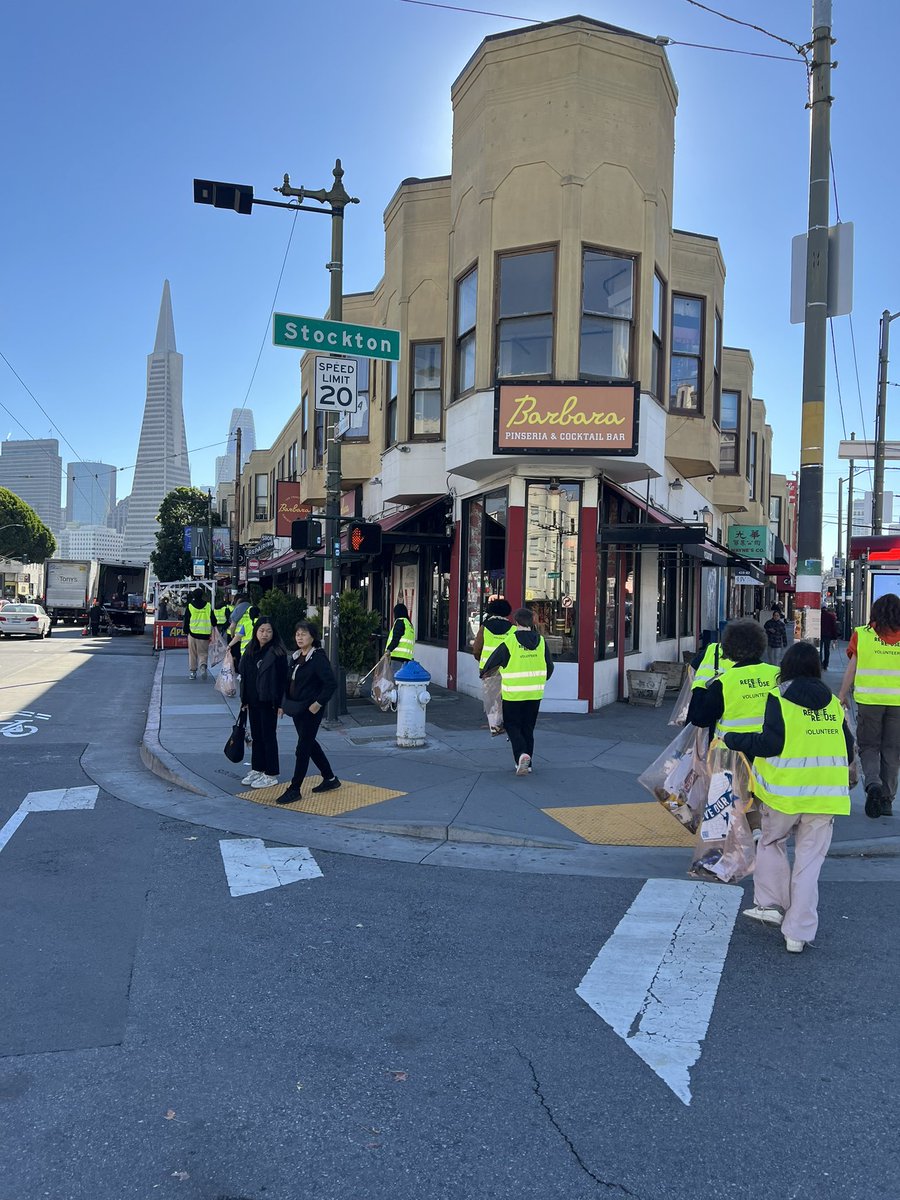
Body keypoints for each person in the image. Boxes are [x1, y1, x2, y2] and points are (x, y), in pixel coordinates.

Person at [724, 642, 852, 953]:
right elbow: (847, 747)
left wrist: (733, 738)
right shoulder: (834, 704)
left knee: (771, 842)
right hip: (826, 796)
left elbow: (769, 744)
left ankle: (769, 903)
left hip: (783, 793)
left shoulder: (778, 699)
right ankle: (798, 933)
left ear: (787, 667)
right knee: (809, 863)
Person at [838, 593, 900, 818]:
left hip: (869, 701)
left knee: (869, 746)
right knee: (892, 751)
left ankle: (872, 783)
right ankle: (886, 800)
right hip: (898, 703)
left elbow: (852, 668)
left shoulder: (862, 635)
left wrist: (842, 695)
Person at [480, 607, 554, 776]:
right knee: (528, 727)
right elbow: (550, 667)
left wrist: (484, 674)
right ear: (531, 622)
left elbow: (491, 663)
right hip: (535, 693)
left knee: (512, 726)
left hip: (513, 694)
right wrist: (540, 680)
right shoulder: (541, 642)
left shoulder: (510, 642)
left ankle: (521, 755)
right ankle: (528, 764)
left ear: (516, 622)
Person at [276, 621, 340, 805]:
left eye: (303, 634)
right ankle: (329, 778)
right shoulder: (296, 657)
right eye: (297, 634)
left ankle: (295, 789)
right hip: (297, 708)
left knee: (302, 748)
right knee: (310, 744)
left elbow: (331, 684)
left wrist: (318, 703)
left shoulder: (317, 658)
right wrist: (282, 703)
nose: (299, 637)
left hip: (311, 710)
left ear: (313, 637)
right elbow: (288, 682)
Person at [687, 618, 779, 737]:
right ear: (762, 644)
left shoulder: (722, 682)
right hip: (768, 749)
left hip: (730, 751)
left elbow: (700, 719)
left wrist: (700, 691)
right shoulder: (777, 675)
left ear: (728, 647)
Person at [239, 616, 288, 790]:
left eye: (268, 631)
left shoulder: (277, 652)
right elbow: (245, 676)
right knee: (257, 737)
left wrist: (282, 704)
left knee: (268, 737)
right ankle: (258, 768)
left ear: (273, 633)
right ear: (256, 631)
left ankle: (271, 773)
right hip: (252, 701)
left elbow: (284, 680)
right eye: (261, 630)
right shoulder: (251, 649)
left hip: (269, 701)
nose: (264, 634)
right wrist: (244, 699)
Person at [472, 598, 515, 735]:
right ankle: (506, 721)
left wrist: (482, 660)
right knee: (506, 696)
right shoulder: (513, 629)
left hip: (488, 669)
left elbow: (477, 649)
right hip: (507, 668)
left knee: (491, 698)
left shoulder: (485, 627)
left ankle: (495, 726)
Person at [182, 588, 218, 680]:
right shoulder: (208, 606)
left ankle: (193, 672)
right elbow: (213, 620)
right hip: (204, 634)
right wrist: (214, 626)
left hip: (193, 633)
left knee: (192, 653)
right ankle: (203, 666)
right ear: (202, 595)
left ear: (193, 596)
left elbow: (187, 620)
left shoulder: (190, 606)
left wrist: (186, 631)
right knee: (203, 653)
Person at [227, 592, 251, 676]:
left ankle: (238, 670)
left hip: (237, 635)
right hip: (249, 635)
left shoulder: (238, 609)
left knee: (236, 655)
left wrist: (232, 635)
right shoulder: (251, 608)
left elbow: (232, 625)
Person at [820, 605, 839, 670]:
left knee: (819, 650)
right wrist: (835, 638)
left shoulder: (819, 615)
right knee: (826, 650)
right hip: (827, 635)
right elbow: (834, 628)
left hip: (819, 635)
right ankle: (826, 664)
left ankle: (819, 663)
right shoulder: (831, 616)